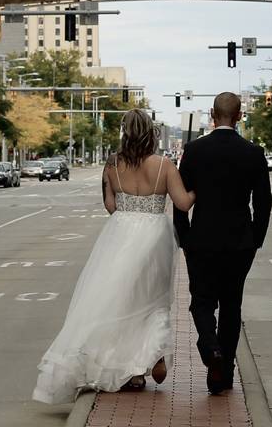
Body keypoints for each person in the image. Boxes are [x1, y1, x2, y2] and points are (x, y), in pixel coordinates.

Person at [33, 109, 195, 404]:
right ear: (151, 133)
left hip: (119, 232)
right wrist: (198, 191)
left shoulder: (112, 165)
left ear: (124, 133)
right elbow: (183, 204)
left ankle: (130, 371)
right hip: (155, 234)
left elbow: (110, 205)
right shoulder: (163, 165)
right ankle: (153, 355)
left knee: (119, 300)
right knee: (152, 300)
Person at [173, 92, 272, 394]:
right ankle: (224, 371)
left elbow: (180, 199)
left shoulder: (194, 150)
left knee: (201, 302)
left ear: (212, 115)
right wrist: (255, 238)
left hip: (202, 239)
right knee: (231, 306)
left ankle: (210, 349)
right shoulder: (253, 153)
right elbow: (264, 202)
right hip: (240, 242)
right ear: (240, 115)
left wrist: (185, 237)